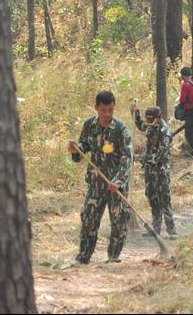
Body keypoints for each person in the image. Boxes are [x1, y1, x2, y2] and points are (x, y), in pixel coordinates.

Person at [68, 91, 133, 264]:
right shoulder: (89, 125)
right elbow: (84, 147)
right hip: (96, 183)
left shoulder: (121, 129)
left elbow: (128, 159)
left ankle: (113, 257)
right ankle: (83, 257)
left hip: (115, 184)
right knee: (89, 220)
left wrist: (118, 181)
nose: (107, 114)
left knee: (119, 222)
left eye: (110, 110)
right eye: (103, 110)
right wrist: (76, 149)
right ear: (96, 107)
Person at [130, 103, 178, 238]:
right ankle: (156, 229)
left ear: (159, 117)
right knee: (152, 197)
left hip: (161, 169)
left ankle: (171, 231)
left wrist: (141, 158)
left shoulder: (165, 132)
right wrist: (136, 112)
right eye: (148, 119)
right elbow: (140, 125)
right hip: (150, 170)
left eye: (151, 119)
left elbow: (159, 155)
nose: (149, 122)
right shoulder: (151, 125)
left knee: (164, 198)